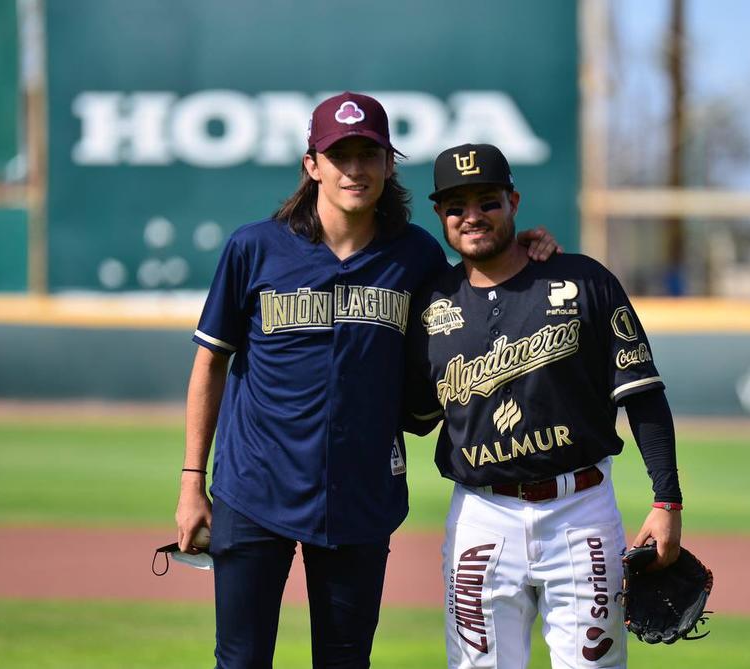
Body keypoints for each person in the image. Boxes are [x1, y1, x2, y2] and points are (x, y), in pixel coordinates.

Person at [174, 94, 560, 669]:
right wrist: (191, 482)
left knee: (347, 661)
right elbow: (211, 363)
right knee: (240, 660)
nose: (354, 170)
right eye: (340, 156)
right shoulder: (255, 248)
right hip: (254, 487)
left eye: (369, 155)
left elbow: (478, 290)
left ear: (388, 165)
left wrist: (524, 247)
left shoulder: (415, 256)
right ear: (312, 165)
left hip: (360, 491)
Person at [404, 143, 685, 669]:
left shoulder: (583, 281)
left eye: (488, 202)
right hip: (481, 517)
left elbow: (643, 393)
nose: (472, 216)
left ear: (513, 202)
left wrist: (666, 499)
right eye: (457, 206)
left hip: (580, 513)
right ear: (439, 214)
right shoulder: (430, 306)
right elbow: (411, 414)